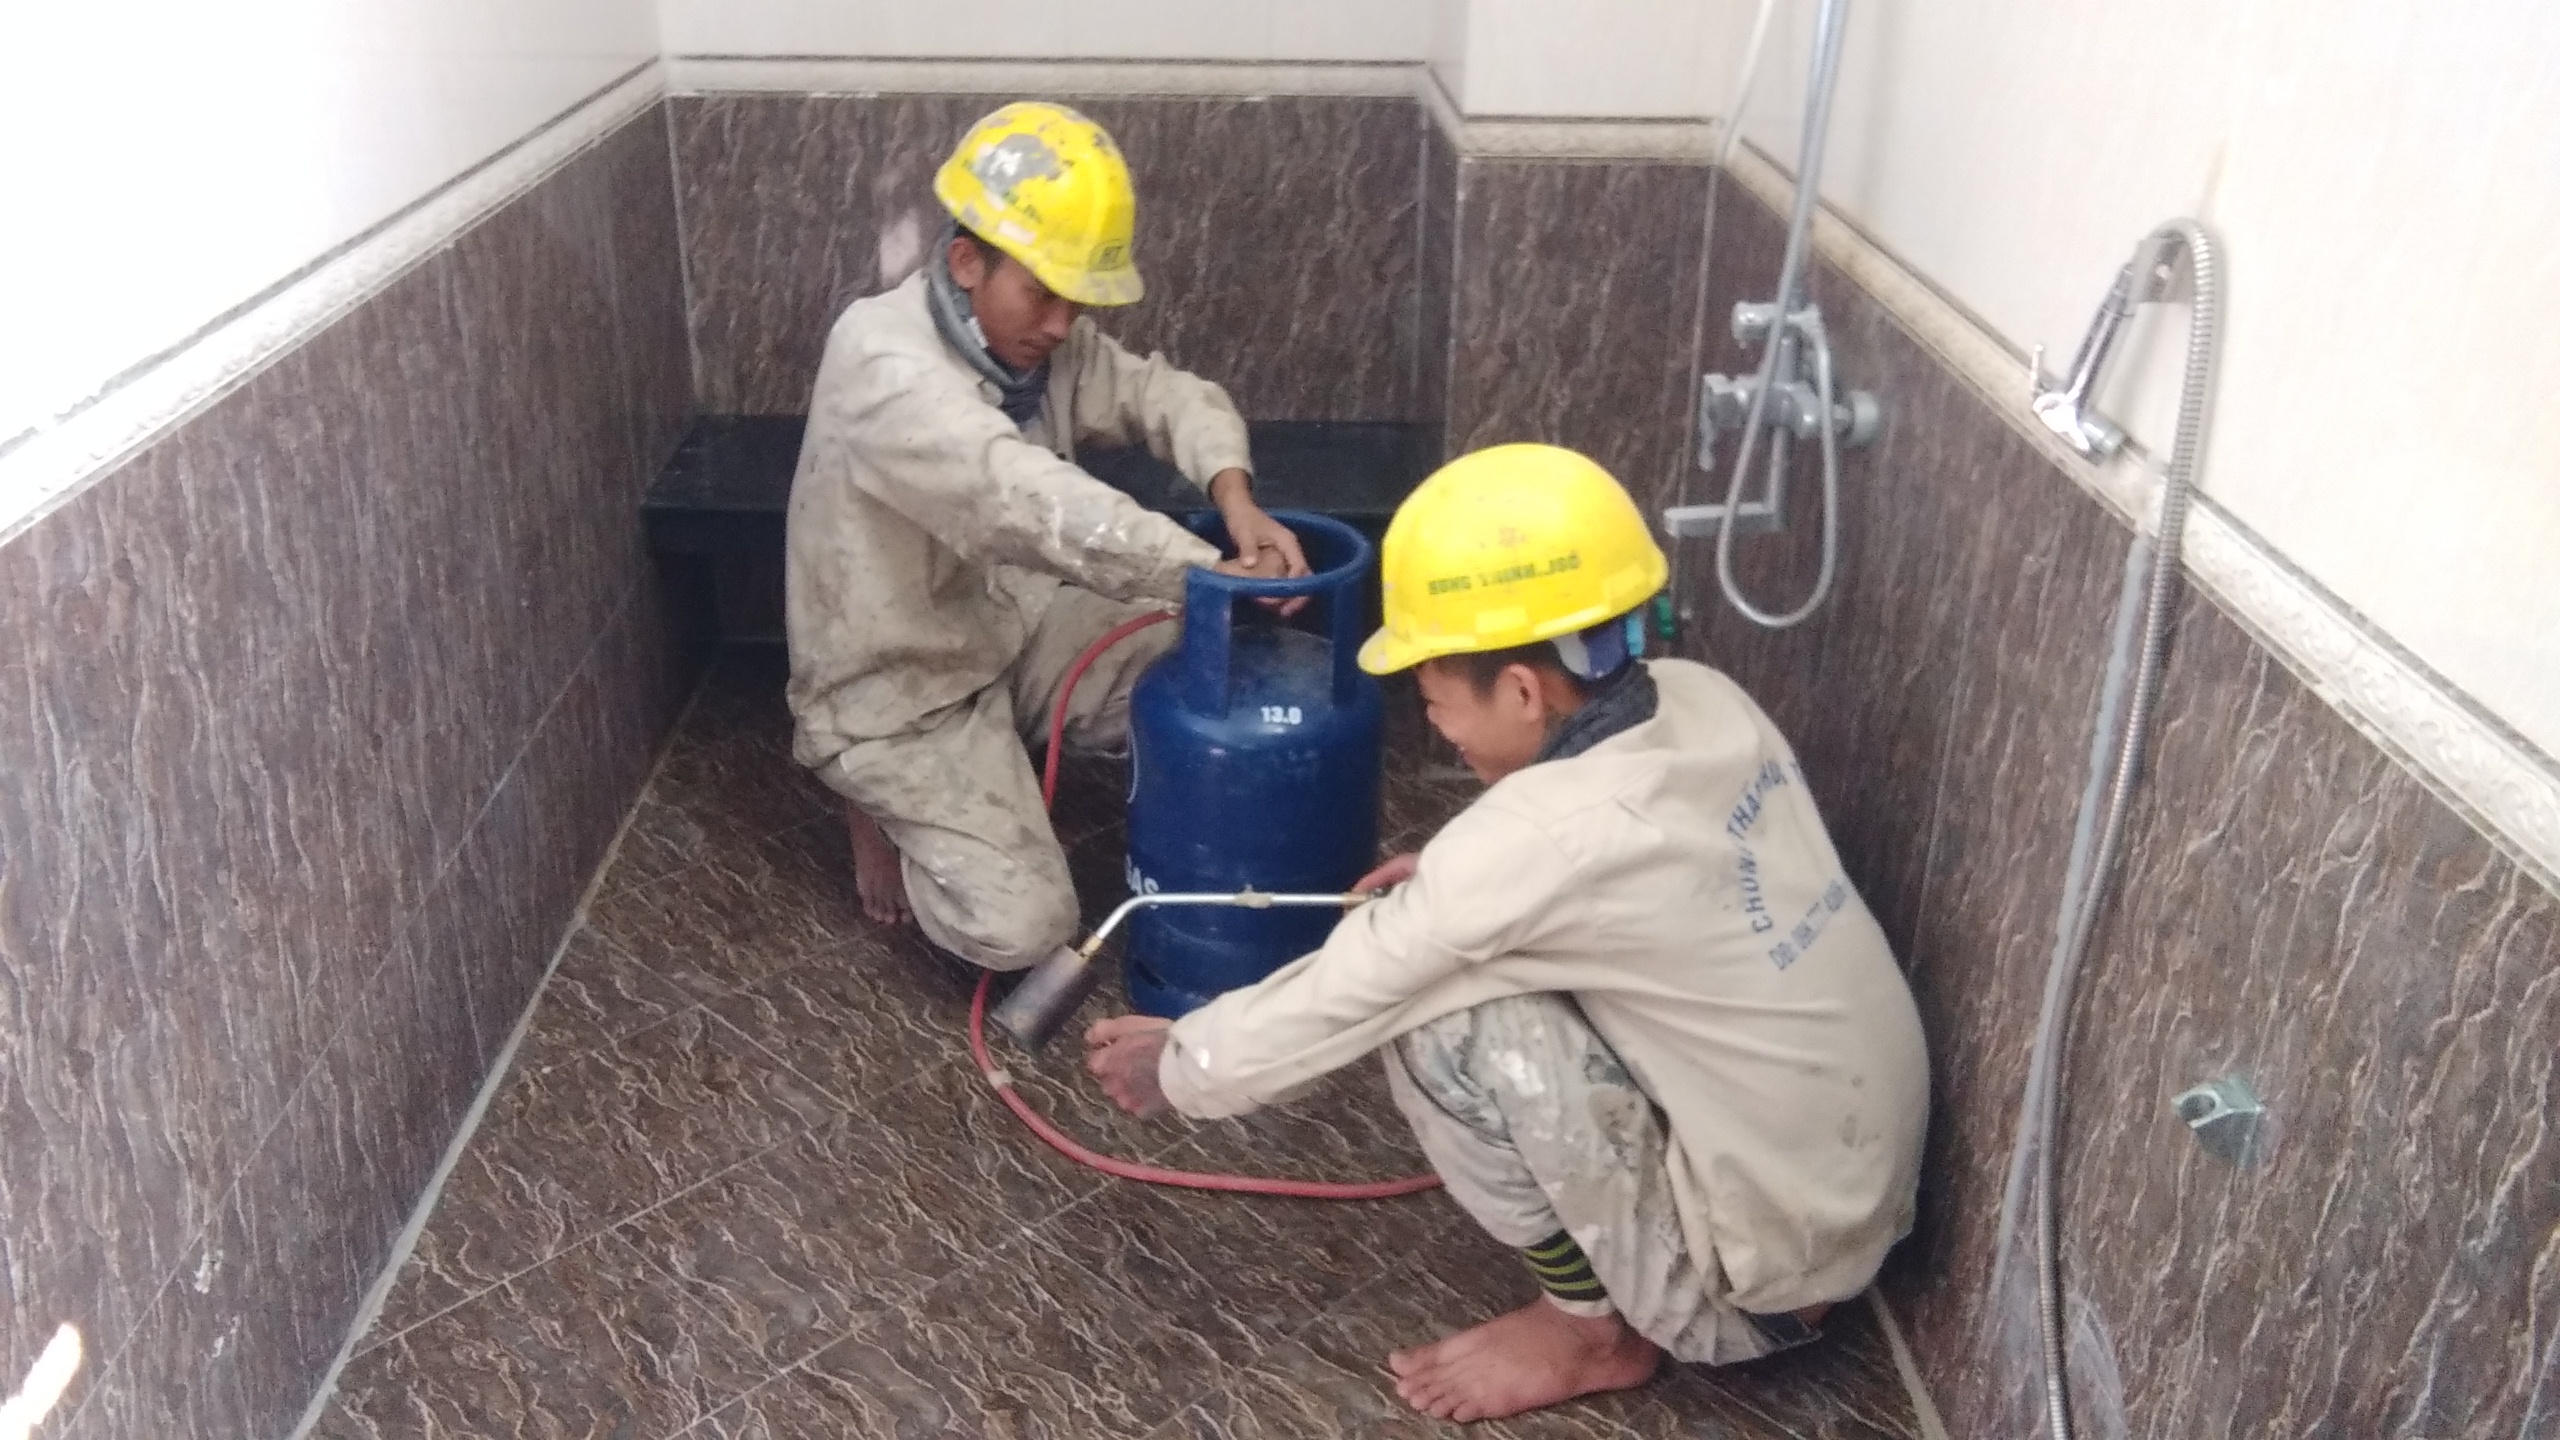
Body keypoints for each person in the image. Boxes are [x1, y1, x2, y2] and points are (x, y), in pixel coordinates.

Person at [1085, 444, 1930, 1422]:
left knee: (1441, 1019)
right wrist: (1462, 882)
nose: (1435, 720)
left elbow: (1352, 988)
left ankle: (1591, 1331)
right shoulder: (1703, 701)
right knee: (1468, 951)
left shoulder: (1528, 850)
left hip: (1745, 1298)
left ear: (1525, 691)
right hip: (1854, 1200)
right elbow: (1606, 864)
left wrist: (1182, 1064)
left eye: (1435, 693)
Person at [785, 101, 1309, 971]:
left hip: (1009, 629)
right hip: (900, 693)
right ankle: (879, 803)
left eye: (1076, 299)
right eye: (1042, 294)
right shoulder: (882, 364)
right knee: (1024, 928)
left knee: (1211, 653)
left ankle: (991, 777)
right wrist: (1204, 568)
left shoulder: (1034, 340)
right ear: (966, 262)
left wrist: (1235, 495)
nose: (1062, 325)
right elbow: (1026, 500)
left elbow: (1163, 395)